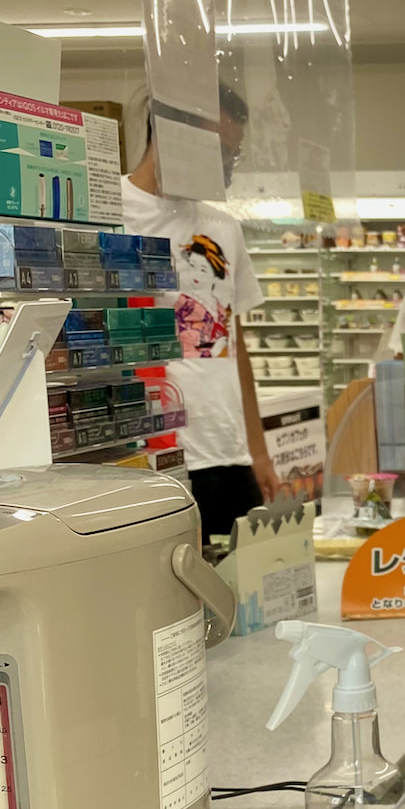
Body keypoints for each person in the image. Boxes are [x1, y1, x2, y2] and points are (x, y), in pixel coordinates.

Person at [121, 85, 279, 541]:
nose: (226, 169)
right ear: (170, 134)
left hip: (228, 453)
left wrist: (258, 450)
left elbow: (236, 345)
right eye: (220, 151)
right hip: (153, 457)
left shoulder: (222, 226)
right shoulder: (111, 212)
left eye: (233, 154)